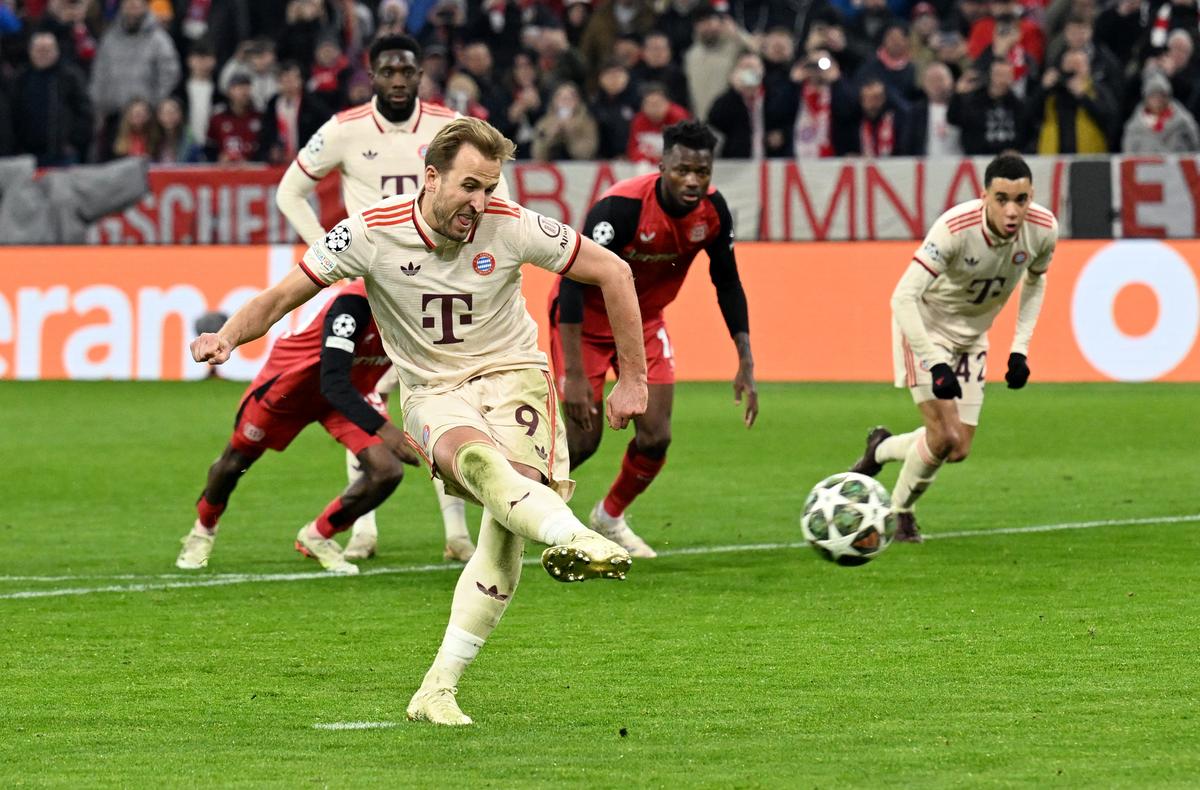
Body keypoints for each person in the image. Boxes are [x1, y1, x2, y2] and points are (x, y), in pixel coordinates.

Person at [191, 118, 649, 726]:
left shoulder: (511, 225)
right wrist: (226, 337)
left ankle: (437, 688)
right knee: (482, 467)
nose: (479, 202)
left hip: (514, 379)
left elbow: (614, 271)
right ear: (430, 177)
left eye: (489, 187)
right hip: (433, 391)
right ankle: (571, 536)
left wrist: (635, 380)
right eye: (468, 186)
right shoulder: (367, 233)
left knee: (503, 530)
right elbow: (280, 298)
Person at [275, 34, 493, 564]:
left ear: (422, 75)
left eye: (408, 71)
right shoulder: (345, 129)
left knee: (445, 396)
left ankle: (456, 534)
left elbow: (495, 194)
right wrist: (328, 251)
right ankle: (363, 529)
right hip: (369, 279)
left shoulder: (450, 126)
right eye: (388, 71)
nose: (398, 80)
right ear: (371, 75)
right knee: (364, 398)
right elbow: (290, 191)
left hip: (434, 283)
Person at [548, 120, 757, 558]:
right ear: (662, 165)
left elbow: (728, 283)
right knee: (583, 441)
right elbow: (570, 281)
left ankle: (609, 516)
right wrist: (572, 375)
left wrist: (746, 361)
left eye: (702, 171)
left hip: (643, 324)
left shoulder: (713, 213)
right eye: (683, 169)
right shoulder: (620, 208)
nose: (693, 181)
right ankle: (519, 511)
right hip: (583, 322)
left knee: (656, 436)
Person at [849, 154, 1058, 542]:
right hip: (927, 330)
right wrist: (935, 363)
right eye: (1001, 199)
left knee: (957, 447)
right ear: (984, 197)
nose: (1012, 210)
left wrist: (1019, 350)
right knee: (943, 435)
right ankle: (898, 513)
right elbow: (902, 298)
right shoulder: (954, 229)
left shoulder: (1043, 229)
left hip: (973, 337)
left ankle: (879, 449)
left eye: (1021, 199)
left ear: (1032, 197)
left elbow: (1036, 281)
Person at [177, 280, 413, 574]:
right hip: (291, 386)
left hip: (349, 391)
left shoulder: (422, 303)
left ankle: (317, 535)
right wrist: (385, 429)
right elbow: (332, 380)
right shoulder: (353, 305)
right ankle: (202, 531)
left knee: (387, 471)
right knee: (236, 461)